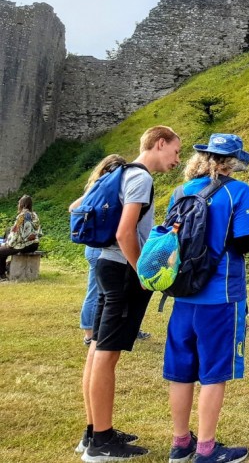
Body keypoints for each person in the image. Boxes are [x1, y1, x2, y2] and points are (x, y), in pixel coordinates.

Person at [79, 125, 181, 462]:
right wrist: (142, 273)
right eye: (175, 152)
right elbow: (126, 233)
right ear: (159, 143)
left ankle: (94, 431)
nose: (177, 160)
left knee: (97, 348)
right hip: (122, 270)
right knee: (107, 353)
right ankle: (101, 443)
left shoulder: (120, 172)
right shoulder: (141, 178)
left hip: (107, 266)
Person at [164, 133, 249, 463]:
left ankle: (180, 443)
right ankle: (206, 448)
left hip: (183, 294)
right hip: (222, 295)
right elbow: (244, 242)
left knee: (180, 370)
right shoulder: (239, 192)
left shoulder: (181, 191)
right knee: (215, 372)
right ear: (232, 162)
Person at [70, 156, 127, 346]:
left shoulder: (98, 187)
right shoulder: (103, 189)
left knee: (105, 293)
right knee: (96, 292)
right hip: (98, 248)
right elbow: (73, 208)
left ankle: (101, 330)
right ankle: (88, 332)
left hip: (95, 247)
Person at [0, 195, 42, 279]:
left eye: (19, 203)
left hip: (24, 245)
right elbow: (39, 232)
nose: (18, 204)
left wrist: (8, 244)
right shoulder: (34, 215)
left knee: (0, 251)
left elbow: (15, 233)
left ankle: (2, 275)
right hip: (34, 245)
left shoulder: (21, 217)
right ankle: (7, 267)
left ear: (22, 204)